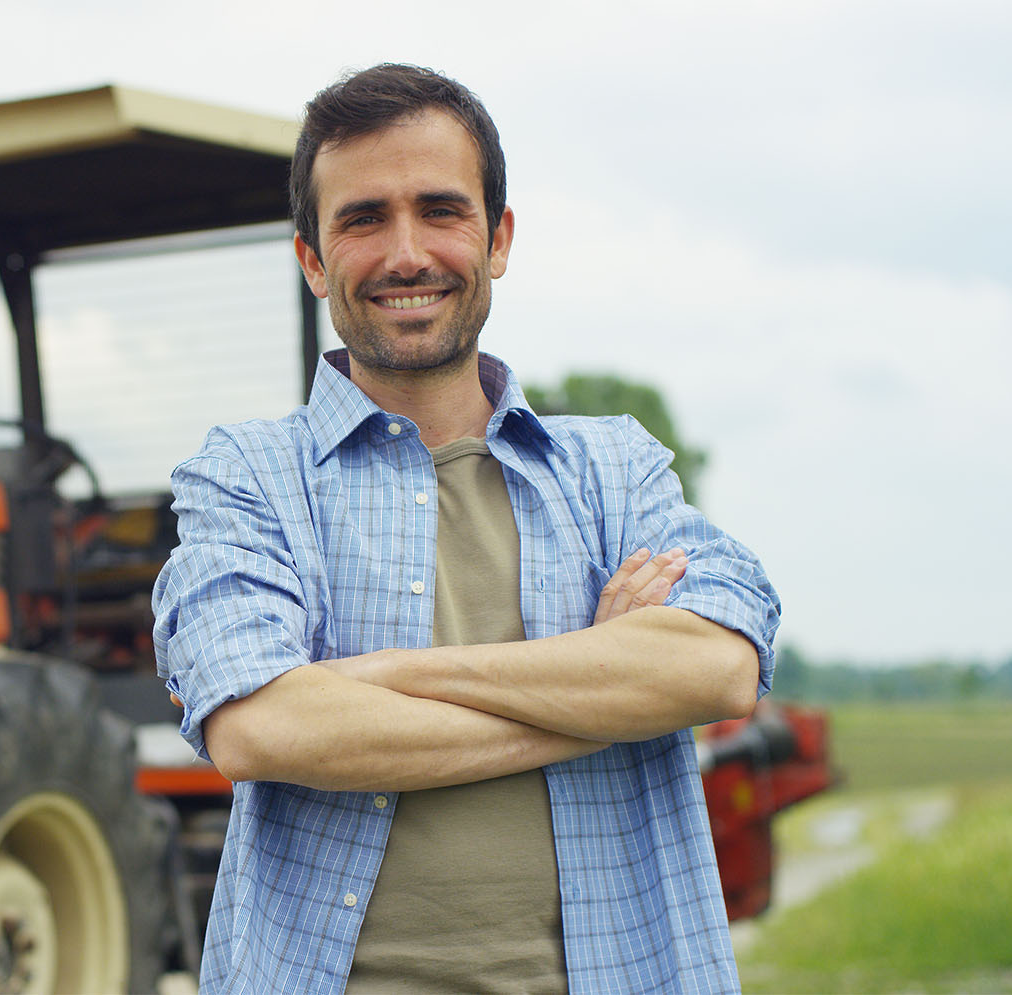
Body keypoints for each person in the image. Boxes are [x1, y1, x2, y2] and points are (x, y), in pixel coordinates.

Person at [151, 63, 781, 994]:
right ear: (312, 260)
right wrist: (598, 696)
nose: (406, 253)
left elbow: (719, 665)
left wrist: (370, 680)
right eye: (364, 219)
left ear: (497, 239)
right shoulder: (247, 475)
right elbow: (260, 724)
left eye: (440, 210)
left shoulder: (614, 466)